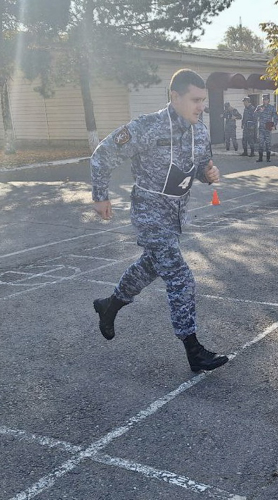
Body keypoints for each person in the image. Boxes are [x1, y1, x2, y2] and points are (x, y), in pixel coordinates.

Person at [90, 69, 228, 372]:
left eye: (203, 100)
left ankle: (109, 306)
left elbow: (202, 166)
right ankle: (194, 351)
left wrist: (208, 175)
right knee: (181, 277)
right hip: (149, 213)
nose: (200, 106)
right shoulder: (147, 127)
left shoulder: (200, 130)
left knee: (150, 266)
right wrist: (100, 195)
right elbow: (103, 154)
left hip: (175, 215)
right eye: (194, 100)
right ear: (174, 97)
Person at [254, 93, 278, 162]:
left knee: (268, 143)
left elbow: (276, 117)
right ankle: (260, 158)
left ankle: (268, 158)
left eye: (266, 99)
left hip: (268, 127)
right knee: (261, 143)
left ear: (268, 100)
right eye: (263, 99)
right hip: (261, 128)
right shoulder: (259, 107)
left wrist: (274, 125)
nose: (264, 101)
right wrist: (259, 111)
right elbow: (254, 116)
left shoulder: (272, 107)